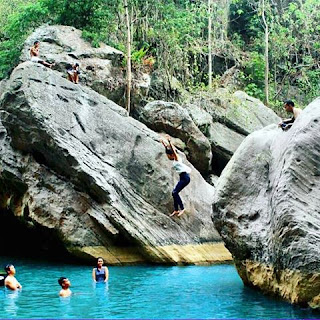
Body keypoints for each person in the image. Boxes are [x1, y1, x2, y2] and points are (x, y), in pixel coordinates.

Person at [161, 137, 191, 217]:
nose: (168, 157)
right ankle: (176, 210)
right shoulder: (177, 157)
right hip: (183, 177)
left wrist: (170, 142)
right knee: (174, 193)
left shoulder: (177, 158)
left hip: (185, 178)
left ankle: (182, 208)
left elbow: (173, 151)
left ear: (171, 155)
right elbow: (172, 149)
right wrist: (164, 144)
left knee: (175, 192)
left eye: (168, 156)